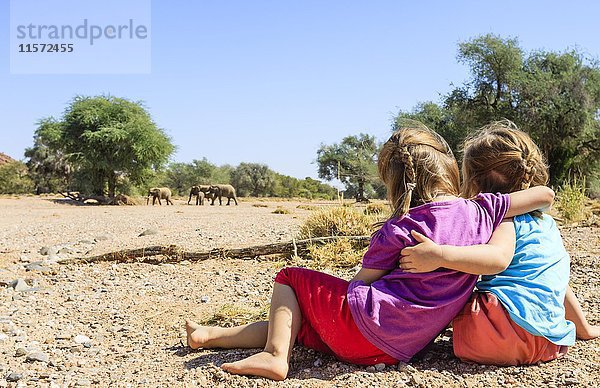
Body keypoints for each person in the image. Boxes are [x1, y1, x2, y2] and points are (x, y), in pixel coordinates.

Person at [185, 122, 554, 380]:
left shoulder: (402, 229)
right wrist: (498, 201)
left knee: (291, 280)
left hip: (362, 328)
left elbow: (358, 285)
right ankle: (211, 336)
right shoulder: (483, 212)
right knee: (298, 323)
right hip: (395, 350)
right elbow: (545, 195)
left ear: (397, 184)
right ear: (451, 173)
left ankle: (275, 357)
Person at [400, 120, 599, 366]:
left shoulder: (503, 220)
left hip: (498, 336)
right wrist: (584, 329)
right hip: (549, 342)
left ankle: (407, 337)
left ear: (475, 184)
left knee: (456, 285)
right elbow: (559, 283)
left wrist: (439, 255)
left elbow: (496, 259)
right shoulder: (547, 225)